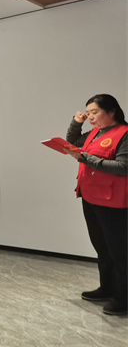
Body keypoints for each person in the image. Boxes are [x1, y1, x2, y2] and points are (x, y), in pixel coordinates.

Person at [65, 94, 127, 316]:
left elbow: (123, 166)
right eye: (88, 113)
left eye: (94, 112)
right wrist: (76, 122)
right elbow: (72, 143)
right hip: (91, 197)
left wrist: (85, 158)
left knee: (119, 250)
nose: (90, 117)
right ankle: (107, 288)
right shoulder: (94, 132)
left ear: (111, 111)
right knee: (101, 246)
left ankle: (123, 298)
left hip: (114, 202)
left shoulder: (124, 133)